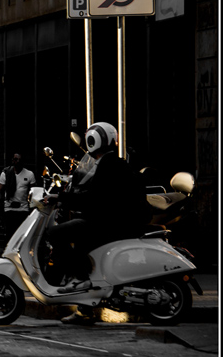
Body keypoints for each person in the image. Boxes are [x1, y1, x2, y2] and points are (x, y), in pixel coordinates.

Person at [45, 122, 149, 323]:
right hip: (116, 221)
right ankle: (85, 308)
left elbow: (92, 197)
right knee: (80, 243)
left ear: (93, 141)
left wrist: (61, 198)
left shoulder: (108, 166)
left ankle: (80, 279)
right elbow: (98, 195)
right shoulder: (113, 163)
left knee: (56, 233)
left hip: (110, 224)